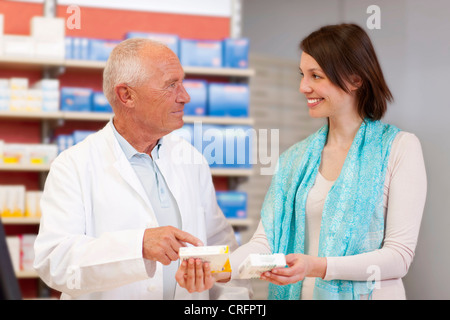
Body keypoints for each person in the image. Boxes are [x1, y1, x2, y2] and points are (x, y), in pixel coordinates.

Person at [176, 23, 427, 300]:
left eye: (316, 76)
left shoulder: (399, 148)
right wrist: (214, 271)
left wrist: (317, 266)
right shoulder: (295, 159)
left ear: (356, 80)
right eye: (302, 75)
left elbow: (399, 257)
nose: (303, 87)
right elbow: (265, 242)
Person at [33, 38, 250, 300]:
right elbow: (54, 262)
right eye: (171, 85)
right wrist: (139, 247)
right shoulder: (73, 166)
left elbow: (218, 248)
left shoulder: (192, 160)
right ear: (127, 95)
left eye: (182, 83)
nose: (185, 96)